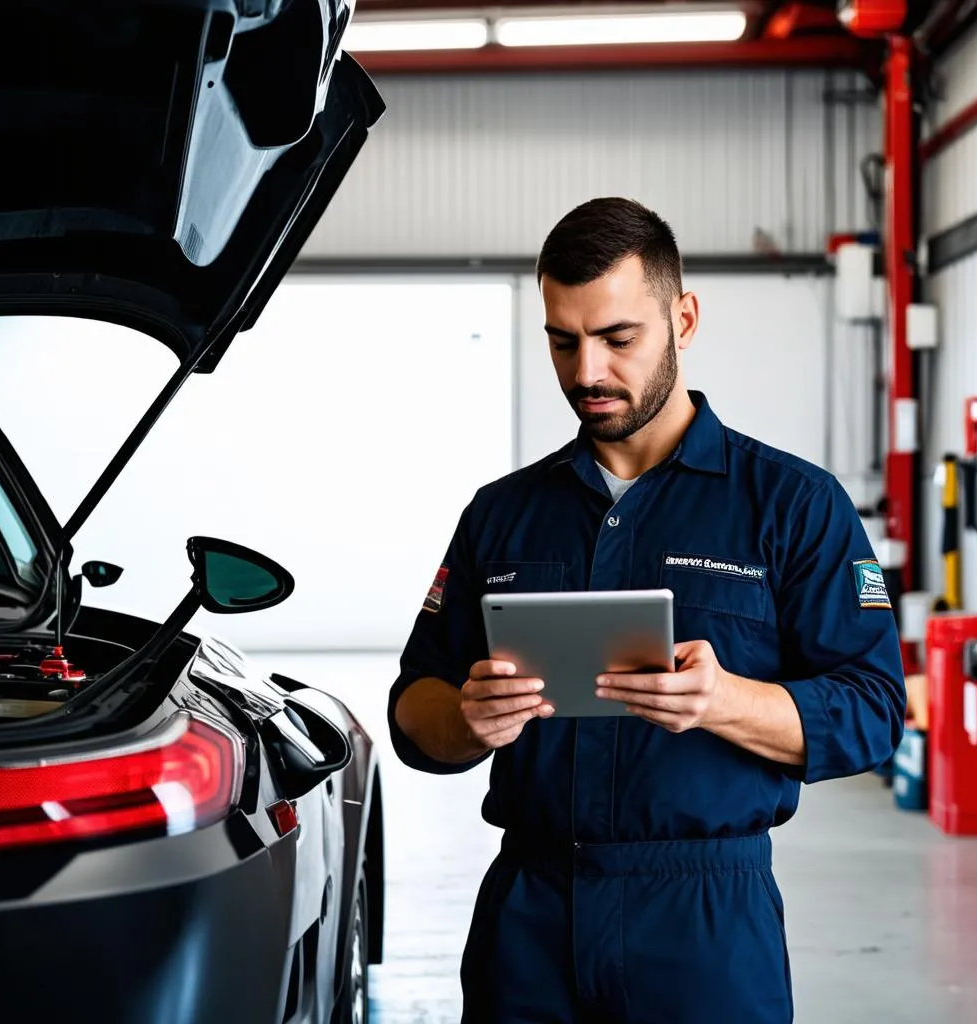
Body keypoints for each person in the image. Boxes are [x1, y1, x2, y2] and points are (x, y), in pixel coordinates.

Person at [387, 197, 906, 1024]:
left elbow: (876, 713)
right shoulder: (502, 514)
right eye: (563, 340)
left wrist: (726, 700)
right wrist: (467, 717)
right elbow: (415, 708)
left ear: (683, 318)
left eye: (618, 339)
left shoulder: (793, 506)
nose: (587, 370)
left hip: (704, 921)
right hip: (529, 920)